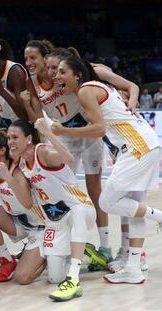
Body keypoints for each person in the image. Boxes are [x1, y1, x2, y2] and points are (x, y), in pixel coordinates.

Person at [53, 55, 161, 284]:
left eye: (62, 71)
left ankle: (159, 216)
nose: (56, 76)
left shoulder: (86, 90)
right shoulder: (96, 88)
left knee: (106, 202)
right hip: (143, 144)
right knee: (133, 209)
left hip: (137, 147)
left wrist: (63, 131)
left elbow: (99, 129)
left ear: (77, 75)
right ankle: (133, 268)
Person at [9, 119, 99, 301]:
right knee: (54, 277)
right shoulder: (21, 165)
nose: (10, 141)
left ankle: (73, 279)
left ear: (28, 139)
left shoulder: (42, 152)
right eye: (8, 137)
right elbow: (27, 203)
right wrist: (10, 179)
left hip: (80, 208)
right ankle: (85, 253)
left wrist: (49, 133)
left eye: (15, 137)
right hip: (56, 221)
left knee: (78, 212)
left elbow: (69, 158)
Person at [0, 131, 46, 284]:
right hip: (19, 222)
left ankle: (51, 254)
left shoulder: (17, 171)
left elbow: (28, 202)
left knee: (22, 278)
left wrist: (9, 178)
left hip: (40, 228)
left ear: (2, 150)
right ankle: (7, 260)